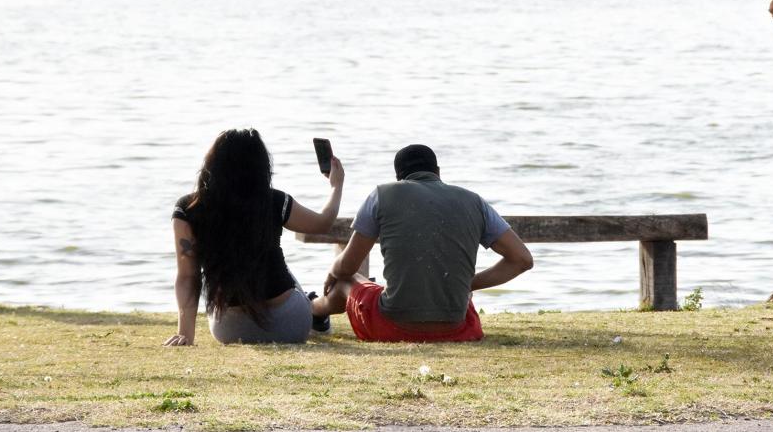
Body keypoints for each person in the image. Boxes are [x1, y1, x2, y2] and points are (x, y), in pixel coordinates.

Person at [310, 144, 533, 342]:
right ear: (438, 172)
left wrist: (333, 271)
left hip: (389, 327)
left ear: (399, 178)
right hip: (459, 329)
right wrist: (468, 284)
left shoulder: (382, 194)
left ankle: (314, 310)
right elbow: (522, 260)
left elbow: (347, 267)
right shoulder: (475, 201)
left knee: (347, 279)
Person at [165, 128, 343, 345]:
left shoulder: (187, 208)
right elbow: (323, 222)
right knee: (286, 272)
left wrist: (185, 334)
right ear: (260, 166)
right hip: (290, 325)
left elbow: (187, 276)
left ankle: (313, 307)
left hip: (229, 330)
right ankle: (316, 311)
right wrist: (336, 186)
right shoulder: (275, 201)